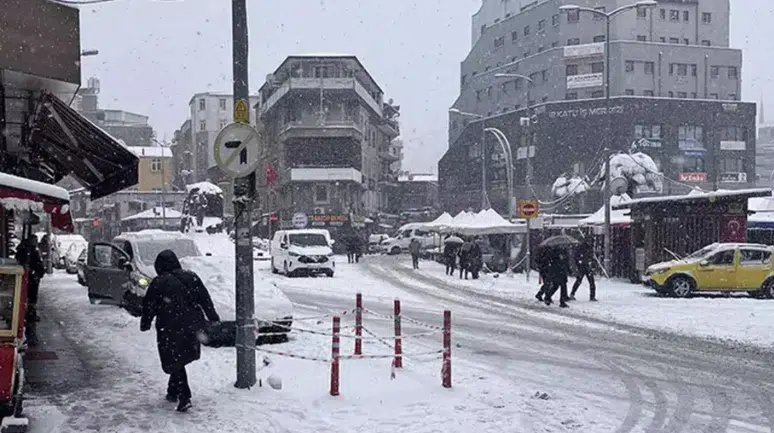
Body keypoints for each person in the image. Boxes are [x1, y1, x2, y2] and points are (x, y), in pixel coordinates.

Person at [140, 250, 220, 412]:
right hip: (192, 325)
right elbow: (205, 298)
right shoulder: (191, 277)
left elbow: (149, 305)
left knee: (174, 359)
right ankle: (172, 391)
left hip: (169, 327)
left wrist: (145, 323)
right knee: (180, 358)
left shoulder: (159, 282)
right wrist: (212, 317)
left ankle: (184, 396)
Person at [16, 237, 45, 323]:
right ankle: (29, 314)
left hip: (30, 278)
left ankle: (27, 314)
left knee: (28, 297)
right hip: (31, 278)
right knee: (31, 297)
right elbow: (38, 265)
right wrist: (36, 273)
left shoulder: (23, 250)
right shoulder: (32, 252)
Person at [570, 237, 597, 302]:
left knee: (591, 282)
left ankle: (592, 296)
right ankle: (572, 293)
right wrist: (580, 262)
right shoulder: (582, 247)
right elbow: (576, 256)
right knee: (579, 281)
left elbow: (591, 256)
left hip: (586, 265)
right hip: (583, 266)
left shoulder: (589, 248)